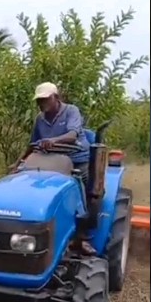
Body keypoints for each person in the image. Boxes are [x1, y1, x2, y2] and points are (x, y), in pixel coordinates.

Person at [12, 82, 96, 254]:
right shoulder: (39, 119)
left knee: (89, 192)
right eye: (39, 101)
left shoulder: (71, 111)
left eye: (44, 99)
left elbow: (73, 136)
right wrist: (17, 162)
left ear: (56, 98)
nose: (41, 104)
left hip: (77, 160)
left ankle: (82, 236)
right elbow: (32, 143)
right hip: (50, 161)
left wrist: (53, 141)